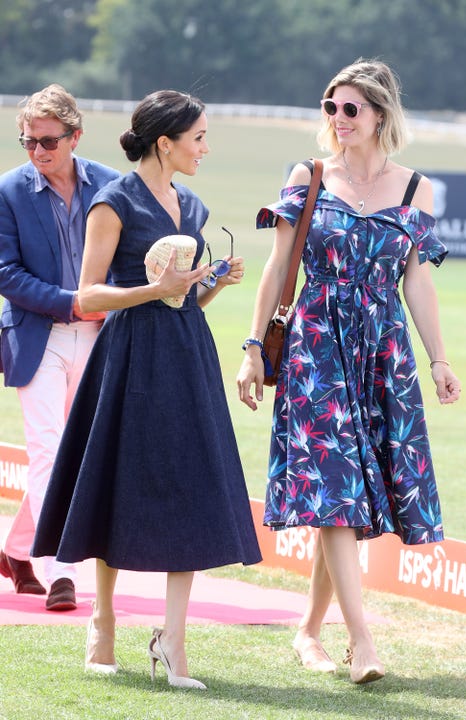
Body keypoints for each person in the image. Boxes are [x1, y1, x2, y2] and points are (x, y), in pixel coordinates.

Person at [237, 58, 461, 684]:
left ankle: (308, 631)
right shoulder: (308, 177)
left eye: (350, 109)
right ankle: (363, 643)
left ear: (380, 115)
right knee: (336, 493)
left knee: (350, 500)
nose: (337, 119)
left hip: (382, 352)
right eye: (329, 107)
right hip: (315, 349)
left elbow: (416, 281)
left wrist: (439, 359)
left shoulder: (417, 190)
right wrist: (253, 347)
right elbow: (278, 267)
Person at [31, 89, 261, 686]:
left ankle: (173, 644)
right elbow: (87, 295)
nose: (206, 148)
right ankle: (102, 621)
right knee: (119, 486)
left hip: (187, 354)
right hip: (129, 356)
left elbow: (186, 297)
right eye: (199, 137)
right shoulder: (113, 202)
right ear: (167, 142)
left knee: (189, 490)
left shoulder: (194, 205)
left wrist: (216, 284)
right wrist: (152, 290)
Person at [0, 84, 120, 611]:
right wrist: (72, 302)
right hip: (35, 336)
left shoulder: (113, 185)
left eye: (47, 141)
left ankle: (15, 551)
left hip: (99, 337)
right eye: (27, 142)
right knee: (48, 449)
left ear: (75, 137)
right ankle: (63, 571)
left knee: (72, 455)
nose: (36, 152)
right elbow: (5, 272)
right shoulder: (8, 191)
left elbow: (131, 255)